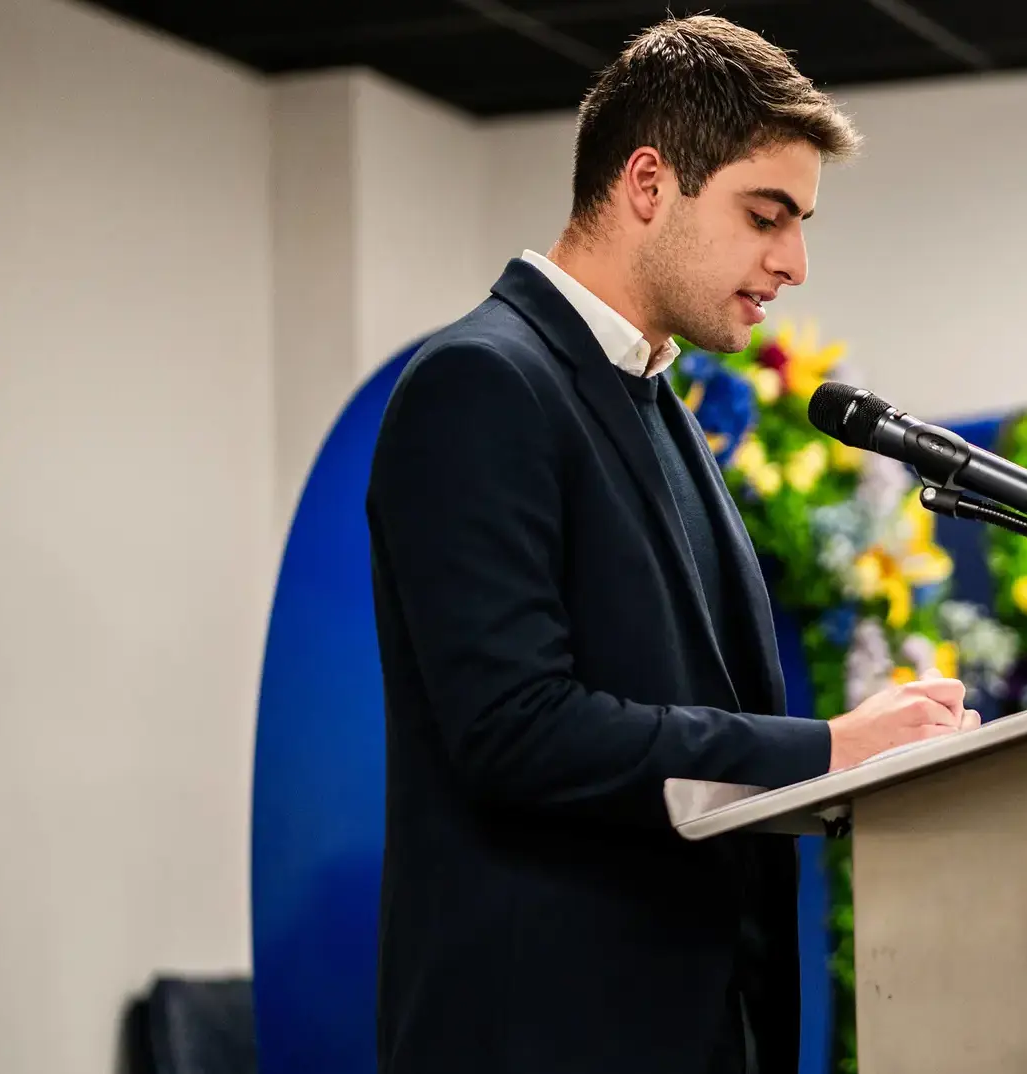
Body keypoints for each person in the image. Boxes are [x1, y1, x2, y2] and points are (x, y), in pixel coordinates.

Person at [365, 15, 979, 1074]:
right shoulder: (482, 384)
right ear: (649, 184)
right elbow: (514, 730)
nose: (791, 261)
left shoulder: (655, 399)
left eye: (799, 222)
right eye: (765, 215)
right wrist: (830, 750)